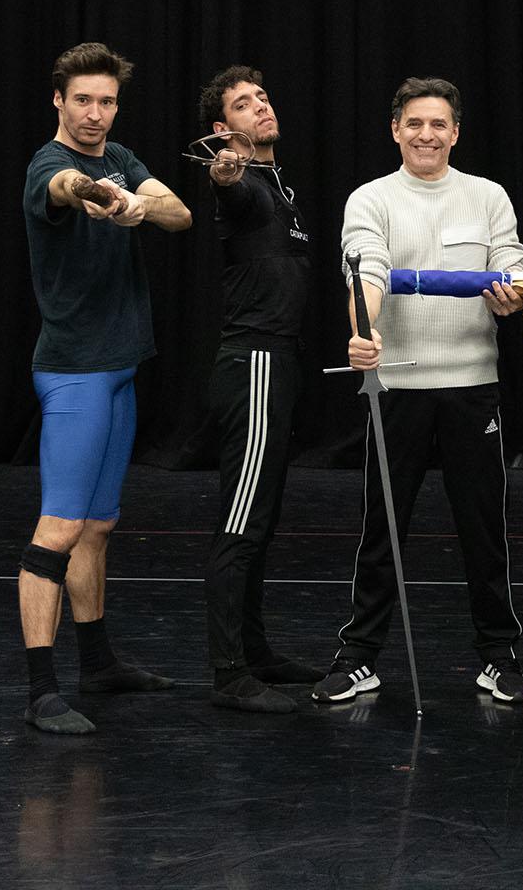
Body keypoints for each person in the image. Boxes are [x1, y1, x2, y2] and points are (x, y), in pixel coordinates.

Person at [317, 78, 523, 705]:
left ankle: (499, 655)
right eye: (415, 123)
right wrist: (364, 330)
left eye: (439, 124)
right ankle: (358, 655)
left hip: (473, 388)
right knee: (382, 526)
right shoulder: (371, 199)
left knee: (484, 529)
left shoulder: (488, 196)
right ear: (395, 129)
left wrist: (510, 296)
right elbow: (368, 270)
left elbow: (512, 273)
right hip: (399, 387)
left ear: (456, 132)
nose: (427, 135)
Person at [17, 42, 192, 734]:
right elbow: (63, 189)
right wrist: (94, 196)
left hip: (120, 368)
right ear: (58, 101)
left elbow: (177, 211)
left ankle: (98, 663)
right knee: (58, 530)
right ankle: (40, 689)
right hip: (75, 373)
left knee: (97, 526)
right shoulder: (50, 165)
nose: (95, 113)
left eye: (106, 102)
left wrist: (135, 208)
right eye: (82, 101)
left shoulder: (120, 159)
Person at [196, 66, 324, 714]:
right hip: (253, 365)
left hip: (282, 365)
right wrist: (222, 172)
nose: (260, 108)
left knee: (262, 518)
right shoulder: (243, 182)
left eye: (263, 97)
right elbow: (229, 192)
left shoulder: (281, 186)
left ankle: (256, 651)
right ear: (224, 129)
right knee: (242, 520)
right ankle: (229, 674)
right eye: (244, 105)